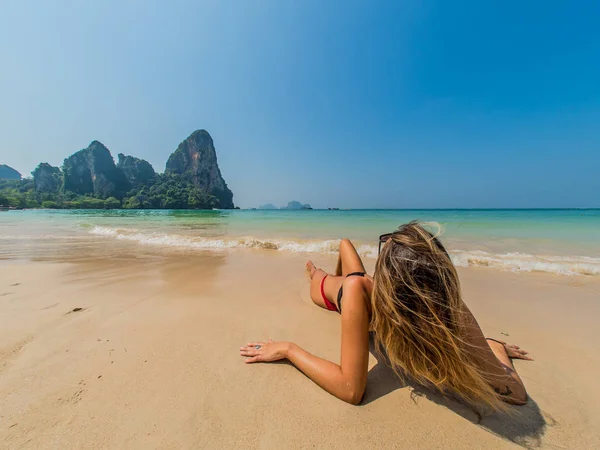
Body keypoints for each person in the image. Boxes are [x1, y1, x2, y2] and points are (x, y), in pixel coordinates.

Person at [239, 222, 532, 410]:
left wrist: (492, 347)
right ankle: (313, 270)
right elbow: (352, 390)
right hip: (335, 293)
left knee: (355, 276)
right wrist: (288, 349)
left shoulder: (443, 303)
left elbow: (516, 395)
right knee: (322, 275)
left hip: (359, 287)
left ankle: (329, 273)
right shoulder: (360, 290)